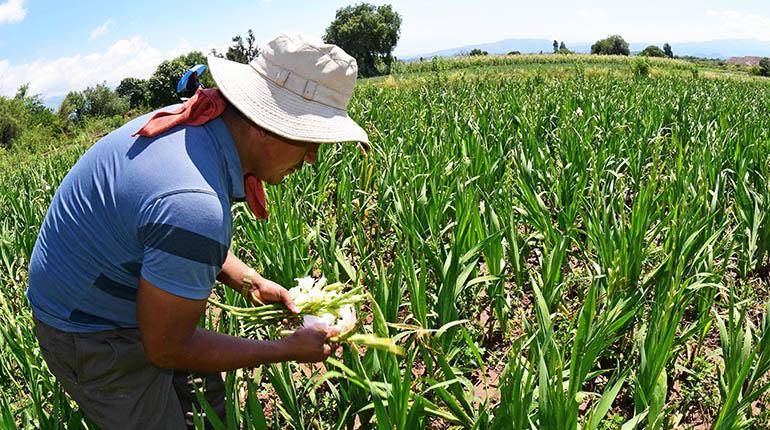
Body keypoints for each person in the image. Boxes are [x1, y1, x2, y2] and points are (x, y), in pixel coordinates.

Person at [26, 32, 369, 429]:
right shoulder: (194, 203)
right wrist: (285, 350)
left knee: (207, 407)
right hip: (92, 330)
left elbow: (163, 233)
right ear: (266, 124)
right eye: (309, 139)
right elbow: (168, 347)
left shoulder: (199, 126)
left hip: (125, 287)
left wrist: (252, 282)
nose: (311, 158)